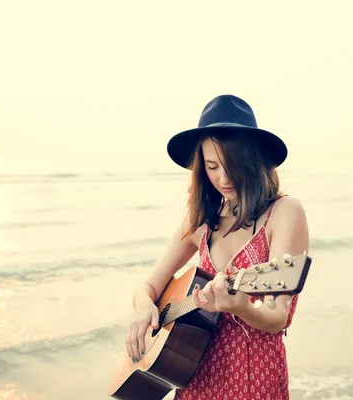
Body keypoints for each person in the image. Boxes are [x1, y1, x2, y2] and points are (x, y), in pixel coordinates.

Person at [125, 94, 310, 400]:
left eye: (231, 165)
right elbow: (148, 286)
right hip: (192, 373)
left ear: (252, 160)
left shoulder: (285, 212)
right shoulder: (200, 221)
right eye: (212, 166)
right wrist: (143, 306)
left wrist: (239, 306)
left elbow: (278, 316)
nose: (222, 178)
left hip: (254, 375)